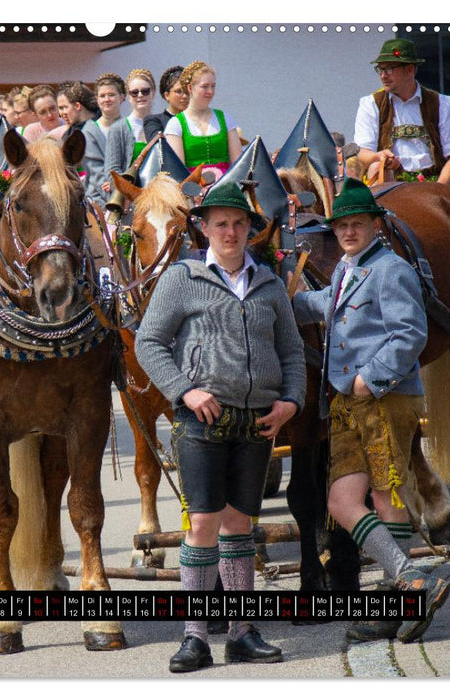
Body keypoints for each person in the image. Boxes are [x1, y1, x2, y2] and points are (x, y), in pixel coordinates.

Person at [135, 182, 306, 672]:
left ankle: (241, 632)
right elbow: (149, 343)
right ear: (204, 229)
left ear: (250, 229)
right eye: (221, 224)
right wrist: (185, 391)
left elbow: (292, 353)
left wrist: (291, 402)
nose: (230, 232)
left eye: (238, 223)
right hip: (202, 421)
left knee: (239, 526)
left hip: (256, 423)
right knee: (204, 525)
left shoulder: (269, 284)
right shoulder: (182, 278)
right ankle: (194, 637)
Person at [293, 177, 450, 644]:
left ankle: (393, 606)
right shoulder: (348, 269)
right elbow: (323, 304)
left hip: (385, 398)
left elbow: (411, 334)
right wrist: (276, 298)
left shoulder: (391, 269)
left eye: (357, 224)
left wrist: (371, 377)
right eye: (341, 226)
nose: (348, 232)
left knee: (386, 499)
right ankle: (412, 581)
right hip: (347, 404)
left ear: (375, 225)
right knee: (341, 502)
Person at [354, 38, 450, 186]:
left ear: (409, 70)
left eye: (389, 69)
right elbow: (362, 152)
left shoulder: (442, 103)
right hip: (388, 181)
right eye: (380, 69)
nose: (383, 75)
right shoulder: (370, 103)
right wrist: (378, 157)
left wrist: (439, 188)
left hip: (438, 181)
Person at [165, 61, 242, 181]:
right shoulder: (175, 124)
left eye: (213, 86)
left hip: (226, 186)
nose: (210, 91)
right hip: (192, 187)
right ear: (190, 88)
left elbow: (239, 165)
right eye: (205, 86)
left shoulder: (226, 119)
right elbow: (178, 172)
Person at [105, 69, 156, 177]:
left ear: (153, 92)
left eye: (145, 91)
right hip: (128, 185)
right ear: (128, 96)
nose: (140, 95)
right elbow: (112, 170)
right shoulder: (117, 129)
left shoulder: (163, 124)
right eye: (134, 92)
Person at [143, 65, 188, 141]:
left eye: (187, 90)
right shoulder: (154, 121)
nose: (185, 96)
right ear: (167, 95)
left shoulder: (198, 119)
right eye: (179, 91)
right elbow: (159, 144)